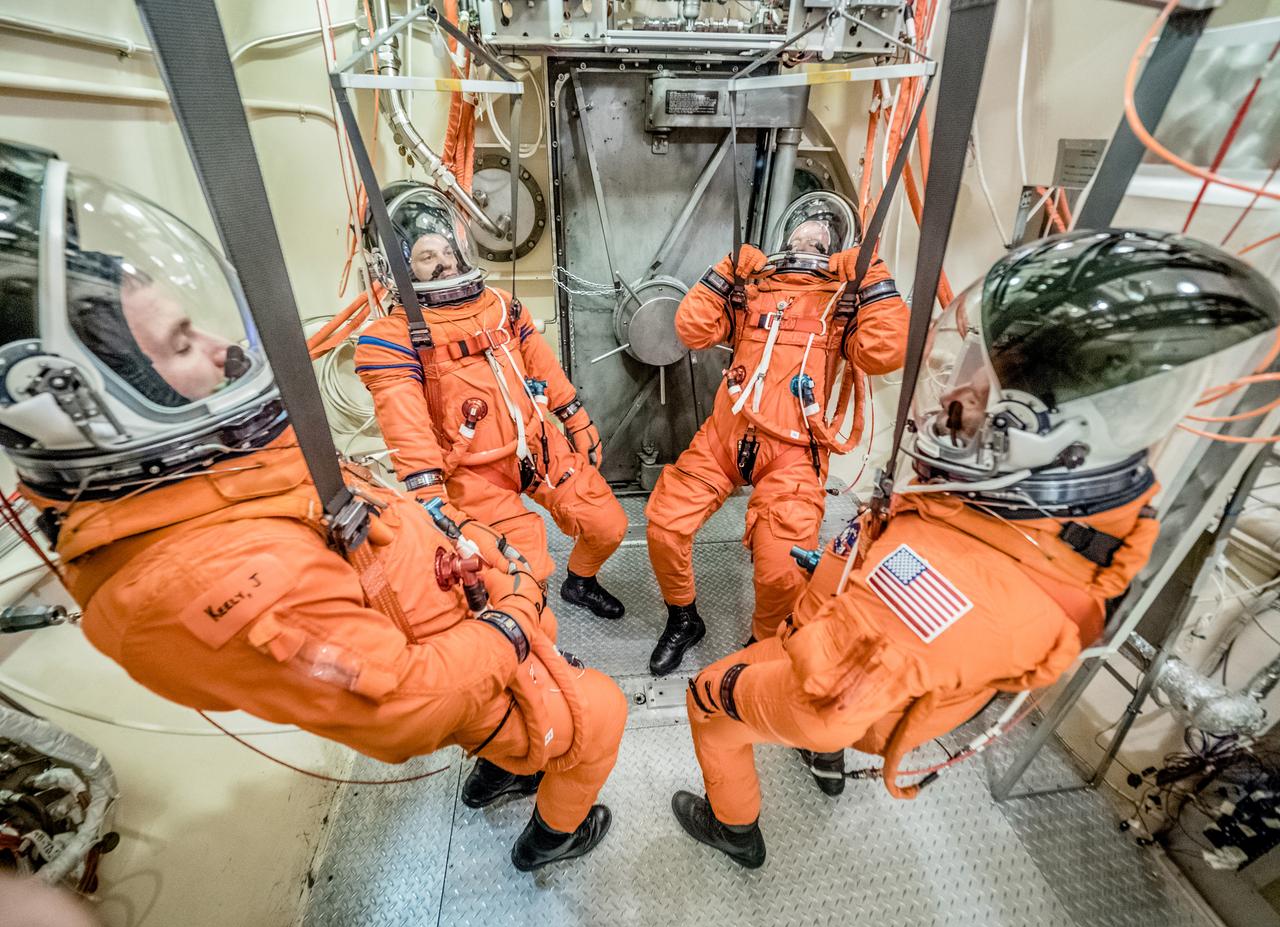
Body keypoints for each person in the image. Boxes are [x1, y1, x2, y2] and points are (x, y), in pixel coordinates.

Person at [0, 142, 627, 871]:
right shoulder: (190, 581)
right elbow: (406, 697)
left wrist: (556, 443)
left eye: (447, 251)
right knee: (600, 713)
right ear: (79, 403)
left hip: (461, 561)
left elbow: (357, 499)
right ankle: (548, 840)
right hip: (459, 598)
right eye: (180, 342)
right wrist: (506, 598)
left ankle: (508, 764)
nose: (224, 353)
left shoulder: (217, 469)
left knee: (596, 537)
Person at [669, 229, 1280, 869]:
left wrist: (780, 663)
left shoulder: (936, 592)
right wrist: (833, 576)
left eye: (974, 384)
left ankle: (733, 827)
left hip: (840, 679)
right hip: (856, 611)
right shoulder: (1061, 510)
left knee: (707, 700)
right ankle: (811, 748)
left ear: (1028, 430)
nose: (953, 402)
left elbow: (830, 691)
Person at [644, 192, 910, 676]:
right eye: (801, 234)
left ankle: (761, 645)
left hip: (792, 452)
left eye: (821, 238)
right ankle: (684, 619)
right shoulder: (751, 290)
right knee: (665, 525)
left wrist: (871, 276)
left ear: (836, 249)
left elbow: (885, 353)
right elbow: (691, 329)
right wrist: (726, 270)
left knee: (781, 570)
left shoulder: (842, 304)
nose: (809, 240)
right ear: (784, 239)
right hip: (725, 437)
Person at [353, 183, 627, 621]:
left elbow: (543, 369)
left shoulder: (499, 306)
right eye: (427, 257)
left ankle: (581, 581)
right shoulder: (392, 339)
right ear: (396, 268)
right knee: (524, 577)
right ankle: (532, 653)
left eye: (447, 250)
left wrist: (574, 418)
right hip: (472, 475)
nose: (443, 263)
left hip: (536, 448)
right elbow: (406, 427)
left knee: (608, 525)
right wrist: (431, 500)